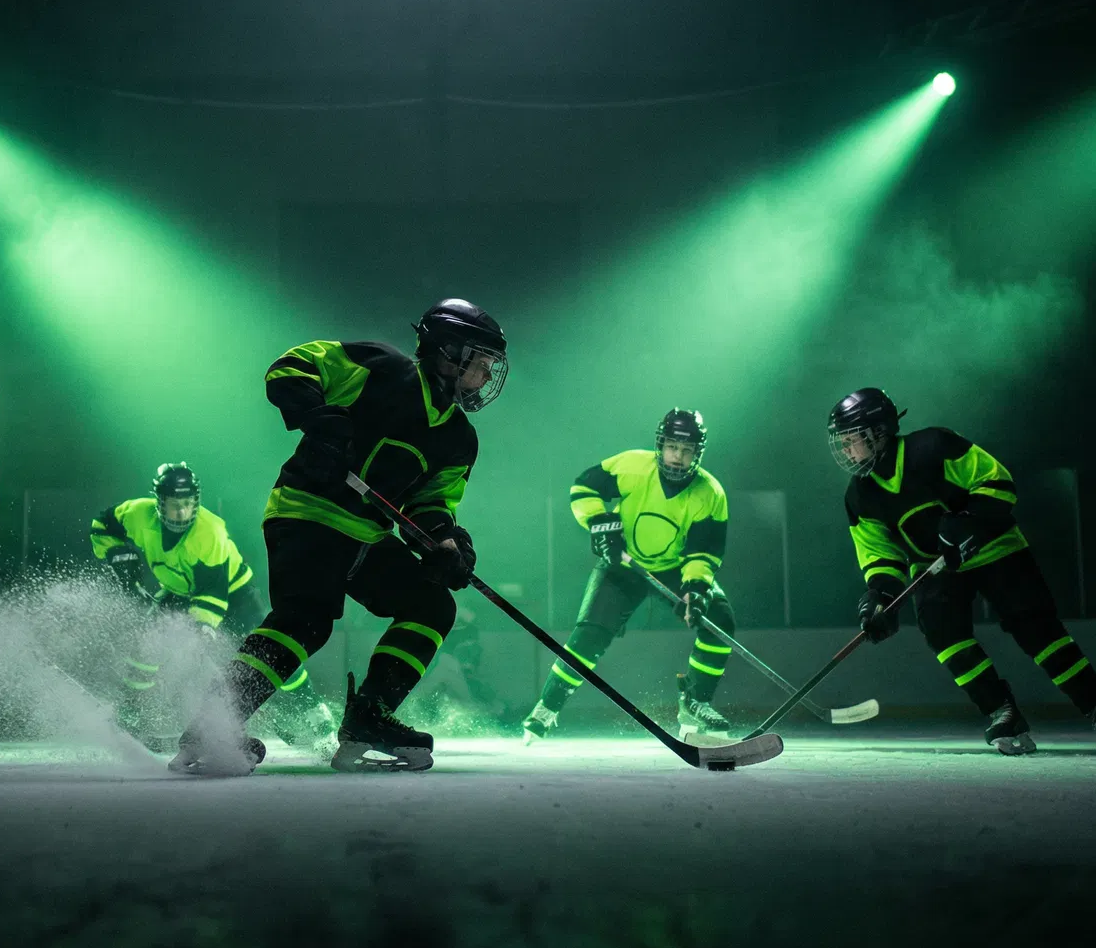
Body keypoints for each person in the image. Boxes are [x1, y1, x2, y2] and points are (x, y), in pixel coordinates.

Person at [171, 299, 507, 775]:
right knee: (305, 619)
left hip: (365, 533)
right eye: (482, 360)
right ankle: (212, 725)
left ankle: (368, 717)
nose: (488, 374)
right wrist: (318, 416)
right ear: (448, 352)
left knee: (431, 604)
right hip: (306, 511)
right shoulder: (380, 368)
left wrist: (444, 545)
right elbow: (290, 367)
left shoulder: (459, 438)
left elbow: (431, 503)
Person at [828, 387, 1096, 755]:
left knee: (1039, 631)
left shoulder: (934, 446)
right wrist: (880, 598)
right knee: (945, 636)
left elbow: (998, 482)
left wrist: (966, 522)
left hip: (995, 548)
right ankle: (1000, 710)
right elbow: (879, 556)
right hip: (934, 568)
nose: (846, 451)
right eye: (842, 442)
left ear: (878, 432)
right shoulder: (859, 496)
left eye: (852, 440)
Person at [521, 409, 736, 745]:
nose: (678, 458)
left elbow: (703, 554)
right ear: (660, 445)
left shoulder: (710, 493)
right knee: (589, 636)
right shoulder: (633, 466)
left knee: (719, 620)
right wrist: (598, 522)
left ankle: (696, 703)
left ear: (698, 453)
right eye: (672, 447)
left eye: (687, 450)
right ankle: (547, 708)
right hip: (623, 563)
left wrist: (696, 589)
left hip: (674, 568)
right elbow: (583, 487)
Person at [89, 462, 336, 753]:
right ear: (159, 503)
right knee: (147, 644)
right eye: (173, 504)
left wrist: (200, 630)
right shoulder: (136, 513)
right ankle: (130, 712)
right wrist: (115, 551)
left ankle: (312, 712)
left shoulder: (209, 533)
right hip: (181, 590)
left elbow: (212, 594)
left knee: (274, 651)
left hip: (234, 596)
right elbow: (102, 525)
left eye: (187, 503)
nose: (181, 512)